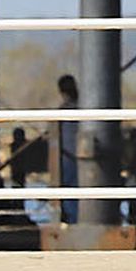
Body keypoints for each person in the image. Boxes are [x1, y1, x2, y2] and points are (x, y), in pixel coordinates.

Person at [56, 74, 78, 225]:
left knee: (69, 189)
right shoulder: (81, 107)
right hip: (72, 154)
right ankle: (72, 219)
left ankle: (71, 220)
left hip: (69, 155)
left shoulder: (64, 110)